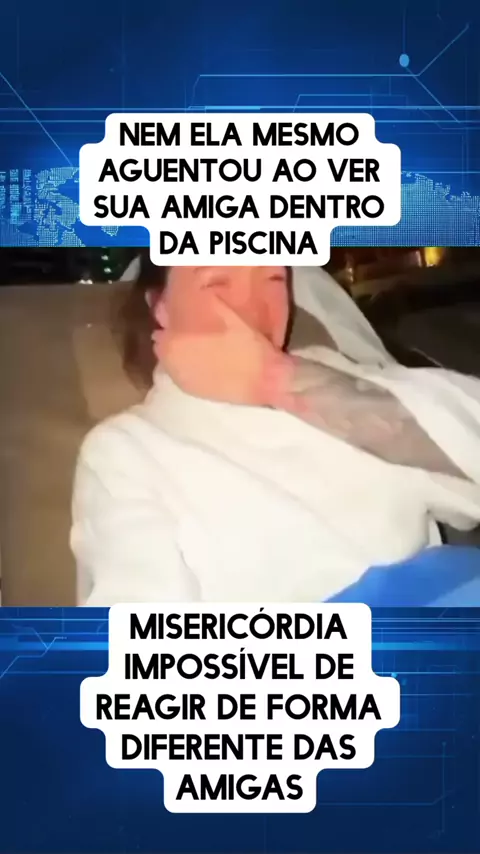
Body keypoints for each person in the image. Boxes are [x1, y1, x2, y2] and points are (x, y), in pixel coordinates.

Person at [71, 261, 480, 606]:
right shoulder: (127, 450)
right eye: (217, 282)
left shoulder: (335, 375)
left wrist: (279, 379)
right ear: (158, 306)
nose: (253, 307)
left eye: (273, 279)